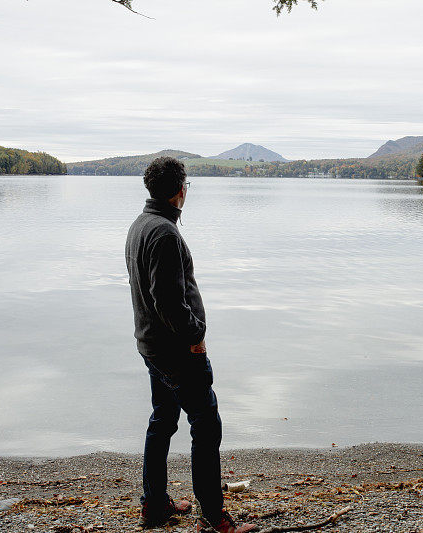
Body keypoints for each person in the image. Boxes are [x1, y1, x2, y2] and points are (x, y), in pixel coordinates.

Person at [125, 157, 256, 532]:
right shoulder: (164, 233)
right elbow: (167, 300)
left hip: (150, 345)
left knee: (162, 420)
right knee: (206, 424)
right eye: (187, 186)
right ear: (179, 191)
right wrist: (195, 336)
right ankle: (214, 517)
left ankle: (154, 505)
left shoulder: (141, 225)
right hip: (175, 351)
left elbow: (152, 294)